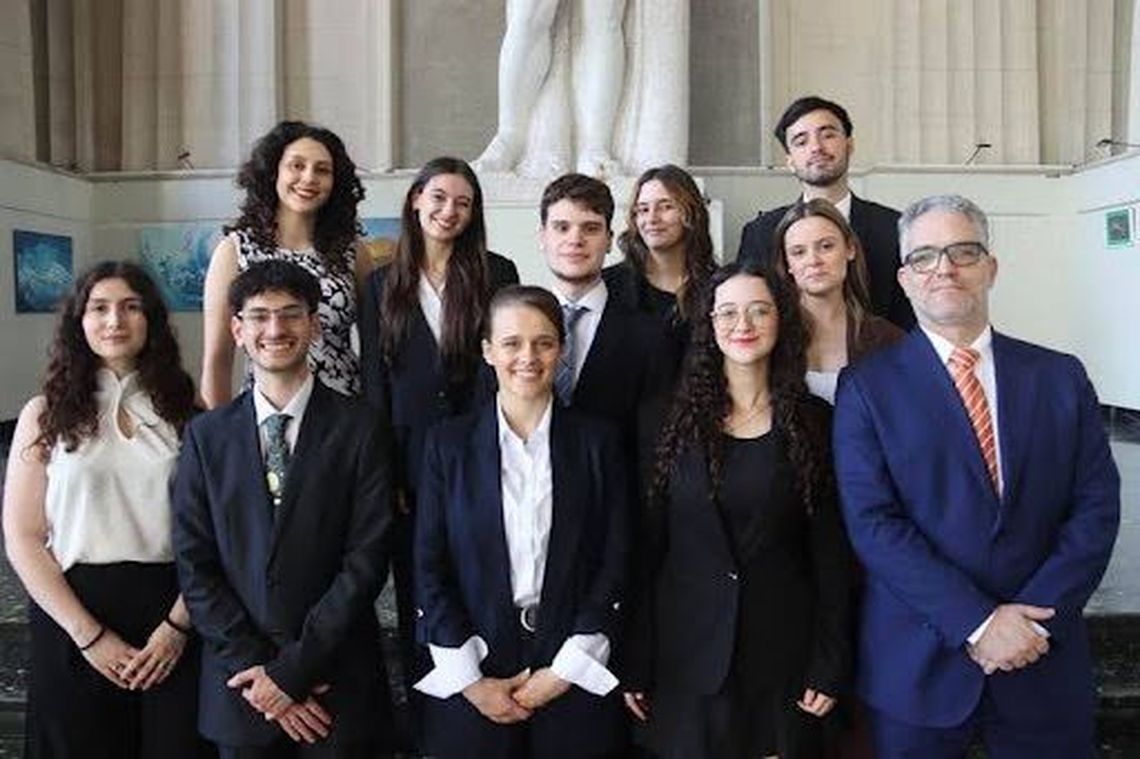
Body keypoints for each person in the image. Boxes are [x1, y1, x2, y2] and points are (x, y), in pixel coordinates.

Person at [833, 195, 1120, 758]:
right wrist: (979, 622)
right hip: (920, 667)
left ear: (991, 267)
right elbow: (873, 525)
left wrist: (1033, 624)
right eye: (925, 257)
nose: (945, 268)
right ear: (905, 278)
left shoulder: (1060, 377)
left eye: (963, 251)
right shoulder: (867, 388)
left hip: (1044, 660)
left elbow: (1096, 509)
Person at [623, 261, 852, 758]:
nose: (742, 326)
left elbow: (832, 557)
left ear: (781, 320)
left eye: (758, 311)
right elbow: (646, 552)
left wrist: (830, 661)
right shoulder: (663, 421)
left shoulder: (818, 423)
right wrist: (635, 658)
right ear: (707, 325)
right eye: (726, 313)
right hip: (686, 660)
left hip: (784, 660)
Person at [173, 261, 394, 758]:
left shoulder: (360, 428)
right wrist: (261, 674)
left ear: (314, 324)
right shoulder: (207, 437)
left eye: (291, 315)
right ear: (238, 329)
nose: (276, 329)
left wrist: (294, 670)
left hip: (336, 685)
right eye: (259, 316)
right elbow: (195, 564)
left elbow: (366, 560)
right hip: (241, 691)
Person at [413, 285, 629, 758]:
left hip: (573, 671)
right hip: (475, 669)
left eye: (544, 342)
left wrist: (565, 670)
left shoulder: (598, 442)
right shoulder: (446, 445)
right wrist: (471, 681)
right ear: (488, 351)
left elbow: (616, 560)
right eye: (511, 343)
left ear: (562, 350)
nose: (527, 356)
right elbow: (429, 568)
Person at [3, 261, 208, 758]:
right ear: (79, 321)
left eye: (130, 307)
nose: (114, 320)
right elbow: (24, 536)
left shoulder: (189, 410)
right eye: (99, 308)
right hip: (73, 612)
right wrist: (88, 636)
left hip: (173, 612)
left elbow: (215, 532)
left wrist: (178, 627)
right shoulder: (43, 413)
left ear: (152, 320)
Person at [357, 156, 519, 736]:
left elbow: (497, 371)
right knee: (419, 592)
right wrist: (386, 472)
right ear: (416, 202)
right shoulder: (380, 283)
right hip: (408, 463)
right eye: (440, 198)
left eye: (463, 203)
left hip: (478, 456)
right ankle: (428, 725)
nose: (450, 211)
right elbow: (375, 384)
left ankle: (485, 710)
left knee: (478, 578)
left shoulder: (497, 272)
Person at [201, 120, 369, 406]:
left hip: (343, 417)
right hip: (265, 417)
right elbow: (218, 360)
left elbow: (374, 347)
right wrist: (221, 437)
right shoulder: (235, 251)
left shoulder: (353, 252)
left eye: (322, 170)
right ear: (273, 172)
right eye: (296, 166)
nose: (309, 178)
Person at [737, 95, 914, 329]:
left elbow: (911, 317)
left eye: (828, 135)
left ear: (849, 145)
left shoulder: (896, 227)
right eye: (801, 141)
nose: (816, 147)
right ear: (789, 160)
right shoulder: (760, 233)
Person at [538, 172, 667, 450]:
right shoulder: (511, 325)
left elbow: (655, 446)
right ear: (542, 237)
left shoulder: (650, 337)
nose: (575, 239)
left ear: (609, 240)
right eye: (562, 227)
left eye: (590, 228)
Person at [773, 198, 904, 404]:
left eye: (826, 246)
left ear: (849, 249)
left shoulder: (888, 340)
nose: (813, 260)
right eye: (799, 252)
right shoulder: (771, 337)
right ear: (788, 264)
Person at [604, 163, 716, 359]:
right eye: (643, 209)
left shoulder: (718, 286)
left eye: (666, 207)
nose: (652, 218)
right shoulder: (610, 286)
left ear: (691, 212)